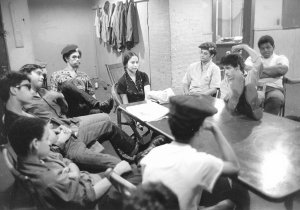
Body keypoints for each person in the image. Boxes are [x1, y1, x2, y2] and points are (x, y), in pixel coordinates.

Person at [0, 71, 140, 173]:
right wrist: (60, 141)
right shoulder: (15, 123)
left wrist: (56, 130)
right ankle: (132, 170)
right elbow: (40, 158)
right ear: (13, 90)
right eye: (26, 86)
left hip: (65, 132)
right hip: (66, 146)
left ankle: (136, 151)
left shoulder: (19, 112)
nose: (31, 90)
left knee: (106, 122)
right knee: (119, 165)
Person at [7, 116, 132, 209]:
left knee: (126, 169)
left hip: (85, 181)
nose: (51, 143)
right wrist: (114, 174)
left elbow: (65, 160)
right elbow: (88, 198)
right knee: (133, 175)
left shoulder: (33, 157)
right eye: (46, 139)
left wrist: (74, 173)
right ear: (35, 144)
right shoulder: (49, 180)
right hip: (95, 197)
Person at [141, 95, 239, 210]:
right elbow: (234, 167)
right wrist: (215, 130)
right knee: (228, 204)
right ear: (199, 129)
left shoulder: (153, 155)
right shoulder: (201, 161)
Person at [50, 44, 113, 117]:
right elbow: (53, 97)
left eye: (78, 57)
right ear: (67, 58)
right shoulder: (57, 75)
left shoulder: (84, 75)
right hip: (69, 108)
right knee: (66, 85)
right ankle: (98, 104)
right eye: (74, 57)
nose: (77, 59)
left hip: (84, 108)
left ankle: (99, 106)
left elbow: (91, 94)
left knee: (102, 113)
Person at [245, 35, 289, 115]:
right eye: (262, 48)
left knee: (276, 99)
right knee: (246, 101)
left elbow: (282, 70)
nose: (265, 50)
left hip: (274, 88)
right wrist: (274, 73)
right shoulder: (252, 58)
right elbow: (247, 70)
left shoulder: (280, 58)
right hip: (256, 87)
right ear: (259, 49)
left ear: (273, 47)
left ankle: (266, 124)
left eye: (268, 47)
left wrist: (257, 70)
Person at [219, 52, 263, 121]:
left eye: (228, 68)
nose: (226, 72)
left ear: (238, 67)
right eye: (224, 69)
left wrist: (244, 46)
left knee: (250, 89)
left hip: (245, 107)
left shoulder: (249, 77)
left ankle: (251, 107)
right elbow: (224, 102)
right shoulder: (224, 82)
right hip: (233, 110)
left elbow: (258, 64)